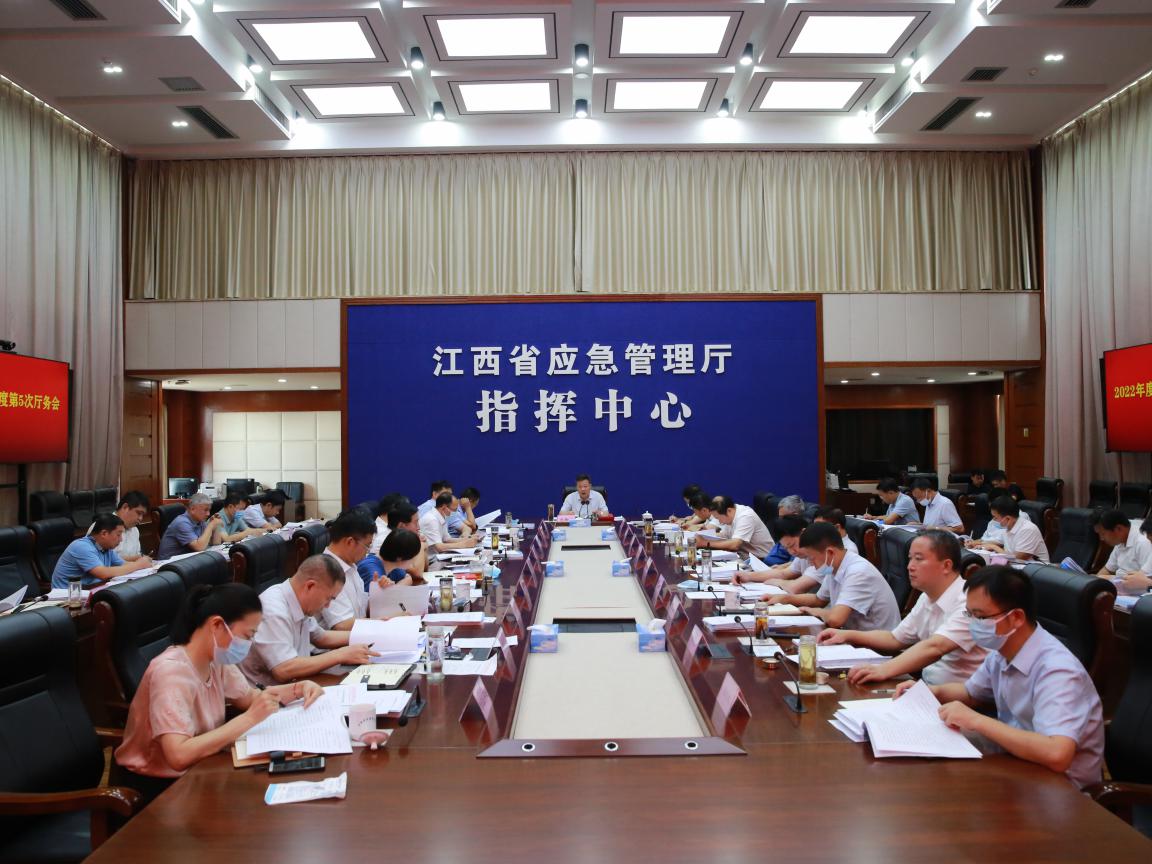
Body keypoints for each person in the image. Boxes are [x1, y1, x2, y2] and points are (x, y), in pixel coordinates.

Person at [894, 565, 1104, 789]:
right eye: (969, 614)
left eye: (980, 616)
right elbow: (970, 693)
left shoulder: (1057, 671)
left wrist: (976, 720)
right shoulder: (1002, 650)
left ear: (1016, 617)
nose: (973, 624)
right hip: (1018, 761)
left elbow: (1057, 754)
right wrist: (930, 691)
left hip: (1060, 787)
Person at [112, 583, 323, 804]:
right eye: (247, 635)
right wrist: (249, 718)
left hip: (201, 767)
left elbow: (250, 697)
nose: (249, 644)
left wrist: (297, 689)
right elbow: (178, 755)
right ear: (217, 625)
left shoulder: (215, 658)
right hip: (158, 788)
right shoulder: (170, 672)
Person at [818, 530, 986, 685]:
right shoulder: (927, 596)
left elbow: (936, 647)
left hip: (961, 699)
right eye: (910, 558)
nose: (910, 566)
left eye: (918, 559)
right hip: (928, 688)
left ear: (946, 566)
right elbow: (895, 639)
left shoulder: (969, 601)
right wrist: (847, 635)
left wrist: (883, 670)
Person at [239, 554, 379, 686]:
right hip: (268, 694)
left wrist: (370, 635)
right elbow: (283, 669)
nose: (328, 605)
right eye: (329, 598)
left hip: (297, 683)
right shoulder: (274, 610)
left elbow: (322, 637)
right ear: (310, 586)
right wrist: (340, 654)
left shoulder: (298, 600)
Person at [775, 522, 900, 631]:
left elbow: (835, 620)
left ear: (830, 552)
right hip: (852, 637)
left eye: (811, 558)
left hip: (876, 645)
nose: (810, 563)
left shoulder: (858, 572)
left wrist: (815, 612)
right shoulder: (832, 566)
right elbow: (819, 599)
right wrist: (784, 599)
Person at [52, 512, 153, 589]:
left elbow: (124, 565)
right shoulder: (81, 547)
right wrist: (138, 565)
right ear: (104, 533)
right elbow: (103, 573)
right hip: (66, 600)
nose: (121, 539)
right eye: (118, 534)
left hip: (88, 592)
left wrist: (143, 564)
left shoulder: (106, 548)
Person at [318, 509, 377, 630]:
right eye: (367, 546)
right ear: (350, 542)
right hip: (340, 640)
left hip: (358, 635)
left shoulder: (350, 565)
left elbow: (362, 610)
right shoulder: (326, 572)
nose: (368, 552)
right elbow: (342, 625)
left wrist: (380, 593)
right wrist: (383, 622)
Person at [732, 515, 810, 590]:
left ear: (804, 533)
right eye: (787, 548)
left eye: (792, 545)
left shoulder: (813, 555)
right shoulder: (802, 558)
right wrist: (748, 576)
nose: (792, 552)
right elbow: (784, 573)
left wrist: (777, 582)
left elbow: (798, 588)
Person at [970, 496, 1050, 562]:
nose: (993, 520)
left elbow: (1018, 558)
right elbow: (995, 541)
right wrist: (977, 543)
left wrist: (994, 547)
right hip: (1016, 568)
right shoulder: (1008, 527)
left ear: (1008, 518)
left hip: (1037, 570)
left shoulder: (1028, 529)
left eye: (995, 517)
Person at [1091, 508, 1152, 595]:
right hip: (1125, 590)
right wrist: (1097, 581)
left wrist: (1106, 578)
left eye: (1103, 533)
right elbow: (1108, 569)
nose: (1101, 538)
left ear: (1118, 529)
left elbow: (1143, 583)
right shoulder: (1120, 540)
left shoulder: (1143, 542)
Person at [697, 495, 775, 559]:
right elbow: (725, 536)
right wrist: (705, 536)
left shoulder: (746, 516)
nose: (720, 522)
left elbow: (734, 545)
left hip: (762, 560)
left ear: (729, 511)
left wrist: (704, 543)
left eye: (719, 518)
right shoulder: (730, 515)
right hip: (745, 557)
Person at [157, 493, 222, 560]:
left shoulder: (200, 521)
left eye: (209, 510)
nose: (208, 514)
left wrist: (216, 525)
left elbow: (215, 543)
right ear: (192, 509)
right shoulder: (182, 523)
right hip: (168, 562)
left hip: (186, 560)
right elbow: (199, 547)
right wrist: (211, 526)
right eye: (205, 510)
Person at [102, 491, 150, 561]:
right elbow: (104, 561)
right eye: (139, 513)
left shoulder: (135, 530)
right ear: (125, 507)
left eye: (143, 515)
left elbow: (137, 554)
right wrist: (137, 559)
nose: (140, 518)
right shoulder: (103, 526)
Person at [763, 495, 807, 565]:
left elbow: (794, 565)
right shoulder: (782, 531)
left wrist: (779, 568)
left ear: (795, 515)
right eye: (779, 517)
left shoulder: (797, 534)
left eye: (783, 517)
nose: (780, 521)